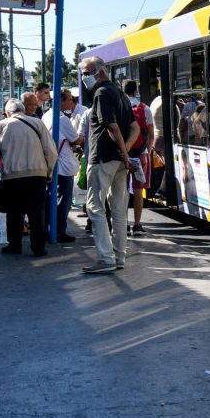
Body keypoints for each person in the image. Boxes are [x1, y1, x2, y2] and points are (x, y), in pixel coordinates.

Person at [78, 56, 139, 273]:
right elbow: (135, 128)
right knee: (119, 209)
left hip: (102, 158)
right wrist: (126, 154)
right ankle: (118, 256)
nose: (84, 77)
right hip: (118, 162)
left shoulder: (101, 93)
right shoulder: (120, 93)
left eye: (86, 72)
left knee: (95, 207)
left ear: (100, 71)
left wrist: (124, 153)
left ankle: (106, 258)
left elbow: (112, 128)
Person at [0, 98, 58, 257]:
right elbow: (51, 151)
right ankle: (38, 247)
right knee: (37, 213)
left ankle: (14, 245)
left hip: (12, 176)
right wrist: (48, 171)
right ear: (23, 110)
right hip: (37, 175)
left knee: (14, 212)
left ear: (8, 113)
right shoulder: (37, 123)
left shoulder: (2, 124)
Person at [43, 88, 83, 242]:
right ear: (61, 101)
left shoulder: (46, 116)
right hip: (63, 165)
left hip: (50, 165)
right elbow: (76, 140)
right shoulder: (63, 120)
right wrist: (81, 133)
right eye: (69, 100)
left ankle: (49, 227)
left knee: (51, 198)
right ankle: (60, 230)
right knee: (63, 199)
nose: (71, 102)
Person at [124, 80, 153, 236]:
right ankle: (136, 225)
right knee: (137, 191)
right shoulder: (145, 109)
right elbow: (151, 135)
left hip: (123, 155)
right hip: (140, 155)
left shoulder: (120, 107)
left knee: (121, 191)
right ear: (136, 91)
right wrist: (146, 151)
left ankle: (122, 224)